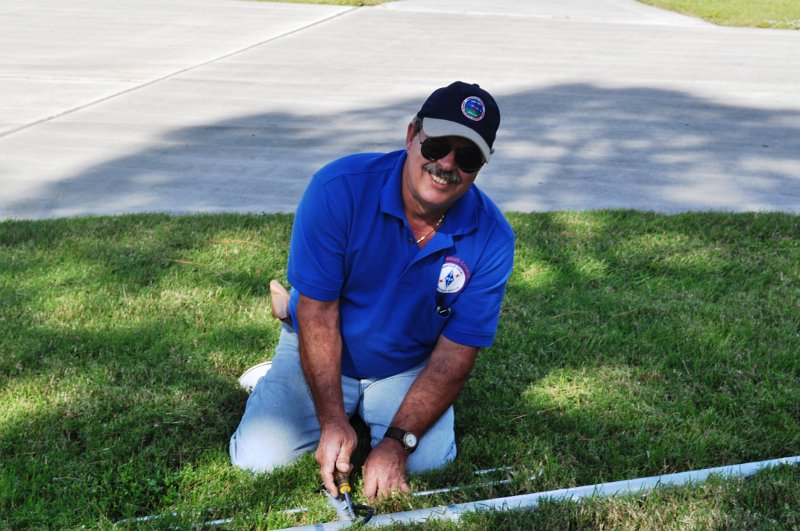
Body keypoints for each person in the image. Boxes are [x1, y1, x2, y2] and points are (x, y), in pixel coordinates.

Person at [229, 81, 515, 501]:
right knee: (257, 459)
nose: (447, 164)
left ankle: (372, 414)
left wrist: (398, 442)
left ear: (481, 166)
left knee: (430, 461)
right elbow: (318, 313)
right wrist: (332, 419)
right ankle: (279, 377)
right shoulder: (337, 189)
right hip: (325, 344)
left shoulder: (493, 237)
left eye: (467, 157)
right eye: (437, 146)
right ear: (411, 135)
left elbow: (455, 353)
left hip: (405, 365)